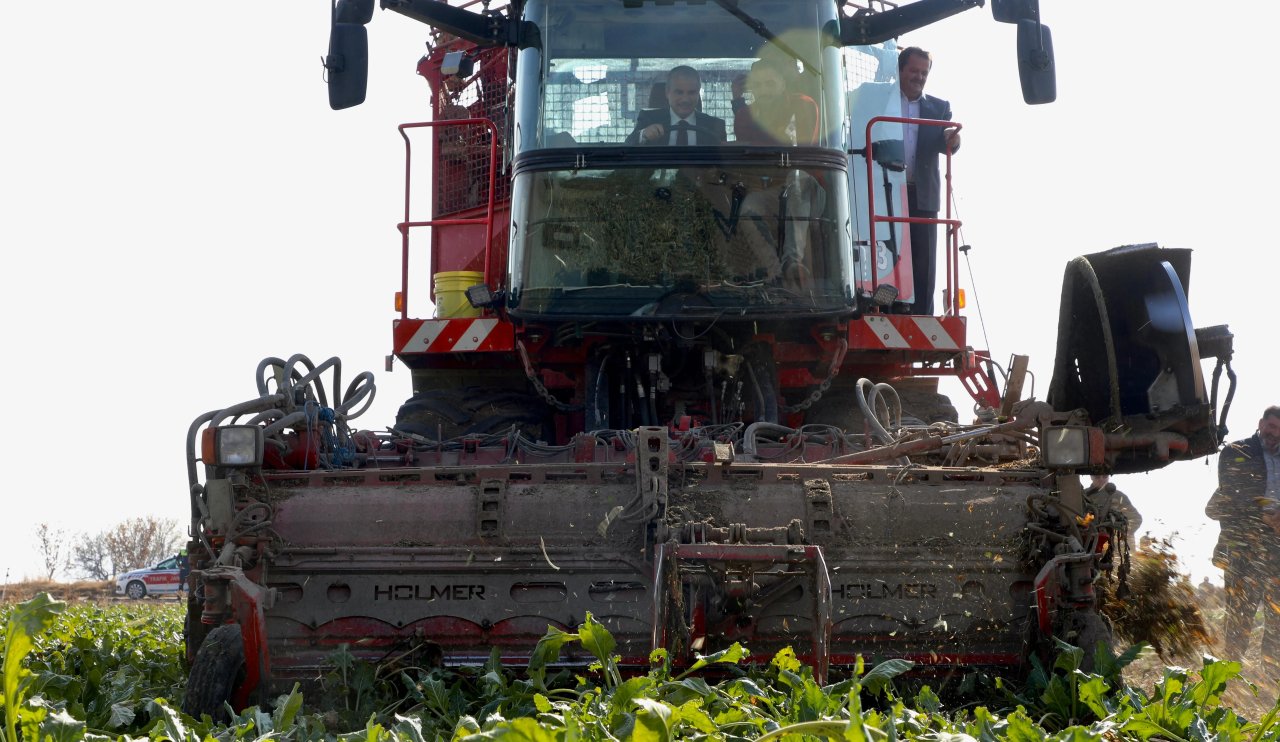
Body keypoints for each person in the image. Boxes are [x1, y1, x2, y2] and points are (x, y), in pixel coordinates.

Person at [1205, 405, 1280, 671]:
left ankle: (1271, 678)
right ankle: (1229, 674)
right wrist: (1265, 515)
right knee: (1240, 612)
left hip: (1276, 548)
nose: (1275, 434)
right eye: (1271, 427)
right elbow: (1234, 492)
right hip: (1243, 544)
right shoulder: (1236, 452)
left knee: (1277, 616)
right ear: (1261, 424)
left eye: (1279, 430)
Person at [897, 46, 960, 315]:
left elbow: (949, 140)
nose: (919, 77)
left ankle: (922, 315)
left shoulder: (939, 107)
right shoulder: (878, 97)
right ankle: (887, 310)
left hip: (922, 193)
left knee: (924, 259)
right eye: (913, 70)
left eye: (924, 72)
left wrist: (953, 140)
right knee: (888, 254)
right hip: (885, 190)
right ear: (900, 70)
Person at [627, 65, 726, 146]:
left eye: (691, 92)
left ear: (698, 93)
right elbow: (626, 147)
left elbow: (723, 164)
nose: (685, 99)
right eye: (679, 92)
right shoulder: (649, 119)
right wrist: (643, 135)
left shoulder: (715, 126)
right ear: (667, 92)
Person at [733, 58, 819, 146]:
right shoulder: (744, 115)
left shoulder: (802, 106)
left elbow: (804, 152)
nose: (764, 91)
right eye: (757, 85)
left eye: (770, 84)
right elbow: (746, 155)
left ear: (783, 85)